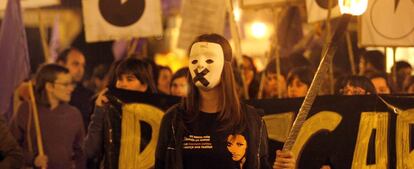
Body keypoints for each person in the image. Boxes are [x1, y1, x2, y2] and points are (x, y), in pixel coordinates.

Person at [155, 34, 295, 169]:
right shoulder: (173, 119)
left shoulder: (252, 121)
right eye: (194, 61)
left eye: (209, 60)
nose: (200, 67)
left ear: (225, 66)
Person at [84, 58, 157, 169]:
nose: (122, 84)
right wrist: (98, 111)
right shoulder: (108, 109)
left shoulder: (157, 115)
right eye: (119, 79)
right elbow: (89, 150)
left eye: (129, 79)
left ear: (144, 86)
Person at [10, 64, 85, 169]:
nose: (71, 88)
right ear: (49, 86)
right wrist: (33, 159)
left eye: (71, 84)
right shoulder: (27, 110)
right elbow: (11, 148)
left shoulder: (74, 114)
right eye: (65, 84)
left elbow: (80, 153)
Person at [57, 48, 95, 129]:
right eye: (75, 64)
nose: (80, 69)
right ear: (61, 64)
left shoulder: (89, 96)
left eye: (83, 65)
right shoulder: (50, 93)